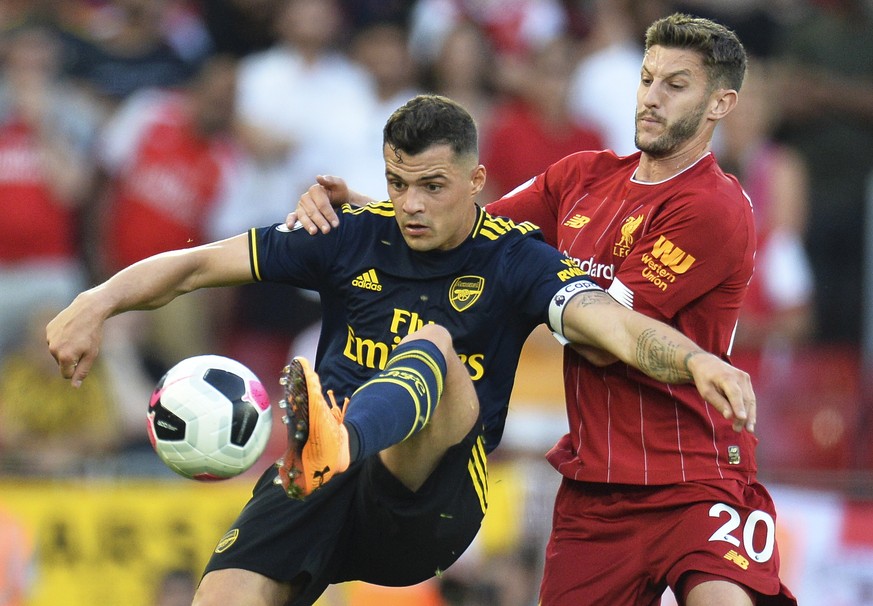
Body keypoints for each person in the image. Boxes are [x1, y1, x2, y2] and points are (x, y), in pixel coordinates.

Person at [48, 94, 754, 606]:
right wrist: (95, 301)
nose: (410, 204)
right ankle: (328, 446)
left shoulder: (517, 260)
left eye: (431, 187)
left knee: (433, 347)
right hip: (315, 481)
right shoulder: (350, 232)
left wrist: (696, 360)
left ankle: (339, 437)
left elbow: (614, 325)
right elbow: (199, 264)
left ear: (476, 184)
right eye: (397, 183)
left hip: (427, 497)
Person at [289, 15, 796, 606]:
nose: (652, 98)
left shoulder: (714, 207)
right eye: (647, 78)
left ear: (720, 103)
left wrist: (535, 288)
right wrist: (370, 216)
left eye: (675, 85)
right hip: (596, 492)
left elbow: (602, 335)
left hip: (695, 480)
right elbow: (470, 244)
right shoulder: (580, 177)